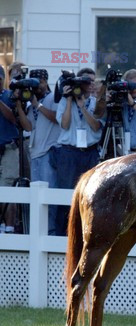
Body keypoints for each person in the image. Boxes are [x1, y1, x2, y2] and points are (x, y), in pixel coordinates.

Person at [55, 67, 103, 235]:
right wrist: (69, 100)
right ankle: (62, 234)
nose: (90, 84)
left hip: (89, 152)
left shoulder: (97, 102)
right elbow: (65, 124)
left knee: (90, 194)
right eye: (86, 81)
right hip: (69, 152)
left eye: (92, 81)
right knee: (66, 193)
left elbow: (97, 126)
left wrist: (83, 107)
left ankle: (86, 232)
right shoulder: (64, 101)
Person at [26, 69, 61, 235]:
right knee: (36, 197)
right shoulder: (32, 101)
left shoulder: (52, 98)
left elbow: (56, 118)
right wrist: (20, 104)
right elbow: (27, 126)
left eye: (39, 82)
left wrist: (37, 105)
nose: (37, 86)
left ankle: (51, 233)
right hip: (34, 153)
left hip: (48, 152)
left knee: (49, 196)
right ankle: (38, 232)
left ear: (45, 82)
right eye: (34, 82)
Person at [0, 65, 20, 234]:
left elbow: (13, 119)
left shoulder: (9, 96)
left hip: (8, 148)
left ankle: (9, 227)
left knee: (8, 187)